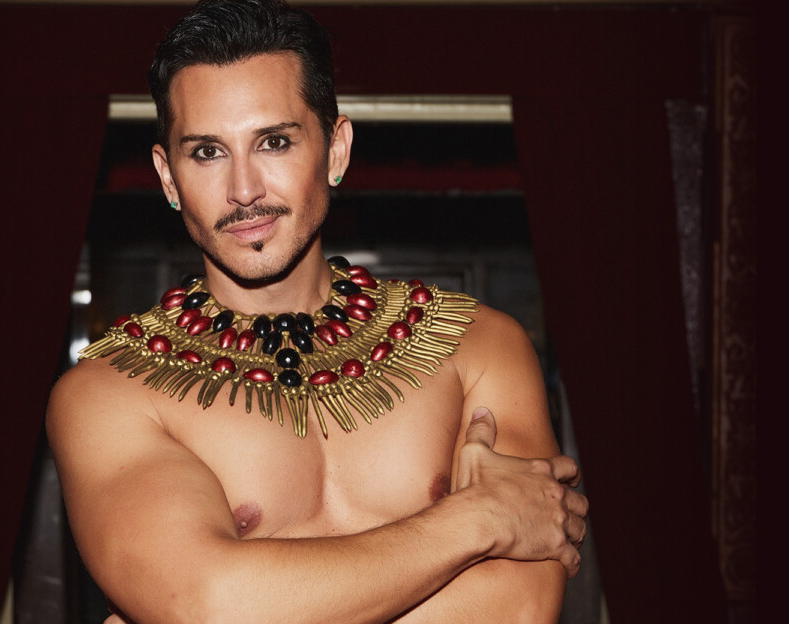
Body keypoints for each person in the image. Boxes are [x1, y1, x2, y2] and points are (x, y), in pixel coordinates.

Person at [46, 1, 588, 621]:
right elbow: (212, 605)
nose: (244, 189)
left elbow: (518, 608)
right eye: (206, 153)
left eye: (274, 142)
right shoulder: (107, 392)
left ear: (335, 149)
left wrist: (260, 598)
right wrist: (474, 521)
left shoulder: (478, 347)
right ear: (168, 178)